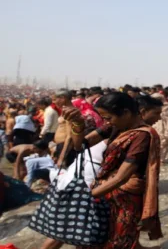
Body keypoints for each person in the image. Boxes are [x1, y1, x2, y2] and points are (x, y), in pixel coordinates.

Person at [47, 92, 162, 249]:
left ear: (126, 113)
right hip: (105, 193)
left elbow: (122, 177)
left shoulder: (142, 136)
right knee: (96, 238)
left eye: (109, 117)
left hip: (125, 199)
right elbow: (80, 145)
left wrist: (87, 196)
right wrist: (77, 123)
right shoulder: (115, 126)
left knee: (119, 242)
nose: (107, 121)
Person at [151, 93, 168, 163]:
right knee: (155, 142)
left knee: (164, 143)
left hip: (166, 126)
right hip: (155, 125)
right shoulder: (151, 106)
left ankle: (162, 160)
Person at [53, 89, 75, 167]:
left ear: (63, 98)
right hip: (60, 146)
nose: (54, 102)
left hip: (66, 148)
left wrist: (62, 157)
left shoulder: (71, 112)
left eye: (55, 99)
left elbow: (70, 136)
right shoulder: (65, 111)